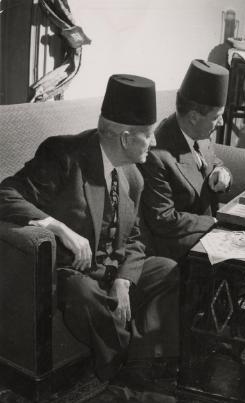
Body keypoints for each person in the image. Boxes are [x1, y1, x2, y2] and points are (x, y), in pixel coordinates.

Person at [0, 75, 178, 400]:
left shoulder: (134, 176)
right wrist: (56, 226)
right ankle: (121, 370)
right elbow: (6, 193)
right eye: (148, 136)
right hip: (72, 275)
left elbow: (136, 237)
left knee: (166, 268)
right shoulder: (63, 155)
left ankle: (139, 367)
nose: (153, 144)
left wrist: (124, 280)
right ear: (125, 138)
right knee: (82, 292)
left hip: (110, 272)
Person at [139, 59, 231, 261]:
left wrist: (221, 173)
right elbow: (164, 219)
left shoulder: (199, 131)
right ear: (194, 116)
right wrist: (215, 223)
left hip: (207, 230)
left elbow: (213, 162)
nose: (222, 123)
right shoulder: (156, 154)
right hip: (178, 244)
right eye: (218, 117)